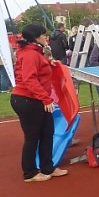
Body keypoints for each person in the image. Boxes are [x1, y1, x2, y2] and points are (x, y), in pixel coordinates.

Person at [10, 24, 69, 182]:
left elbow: (38, 69)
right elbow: (29, 78)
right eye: (43, 35)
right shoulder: (30, 54)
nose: (46, 37)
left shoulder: (35, 52)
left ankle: (47, 167)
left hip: (34, 98)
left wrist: (50, 64)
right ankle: (29, 173)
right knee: (33, 136)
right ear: (36, 37)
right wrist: (45, 98)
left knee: (47, 133)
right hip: (28, 99)